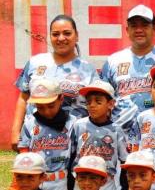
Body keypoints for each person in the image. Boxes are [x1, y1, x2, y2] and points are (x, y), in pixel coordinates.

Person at [100, 4, 155, 144]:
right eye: (134, 26)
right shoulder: (113, 61)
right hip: (120, 137)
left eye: (145, 25)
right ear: (127, 30)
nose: (139, 30)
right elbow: (103, 102)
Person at [11, 14, 98, 151]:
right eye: (55, 34)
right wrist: (16, 132)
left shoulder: (88, 69)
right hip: (37, 138)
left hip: (72, 141)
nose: (61, 38)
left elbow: (96, 104)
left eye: (67, 33)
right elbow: (23, 98)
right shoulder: (35, 62)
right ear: (50, 36)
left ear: (77, 36)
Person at [13, 78, 76, 190]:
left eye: (51, 105)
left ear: (61, 98)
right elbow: (23, 153)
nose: (46, 111)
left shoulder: (72, 123)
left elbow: (76, 155)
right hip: (33, 181)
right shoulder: (30, 123)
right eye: (40, 107)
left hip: (60, 181)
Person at [72, 80, 128, 190]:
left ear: (111, 104)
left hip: (106, 185)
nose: (92, 105)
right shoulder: (79, 126)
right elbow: (71, 157)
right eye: (88, 102)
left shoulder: (116, 130)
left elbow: (124, 161)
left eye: (98, 101)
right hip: (82, 183)